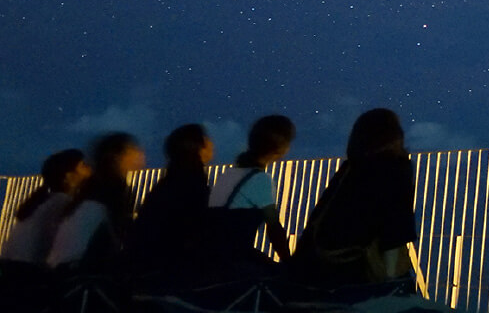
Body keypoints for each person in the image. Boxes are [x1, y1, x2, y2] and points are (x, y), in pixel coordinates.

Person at [291, 108, 417, 287]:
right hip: (355, 270)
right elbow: (396, 225)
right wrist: (391, 280)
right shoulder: (396, 166)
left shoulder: (349, 168)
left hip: (314, 267)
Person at [203, 114, 296, 275]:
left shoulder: (228, 175)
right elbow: (274, 228)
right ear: (282, 149)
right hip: (231, 262)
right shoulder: (260, 179)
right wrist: (290, 263)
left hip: (209, 256)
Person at [46, 132, 145, 272]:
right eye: (134, 150)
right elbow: (126, 236)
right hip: (81, 273)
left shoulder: (91, 189)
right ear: (118, 156)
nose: (141, 154)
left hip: (60, 269)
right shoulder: (115, 187)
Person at [127, 124, 213, 281]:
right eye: (206, 140)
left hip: (146, 266)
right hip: (171, 271)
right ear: (198, 147)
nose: (212, 144)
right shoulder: (192, 184)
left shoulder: (169, 182)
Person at [0, 149, 89, 264]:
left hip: (12, 270)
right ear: (68, 175)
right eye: (83, 165)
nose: (90, 170)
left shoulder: (43, 202)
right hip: (28, 274)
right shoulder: (61, 203)